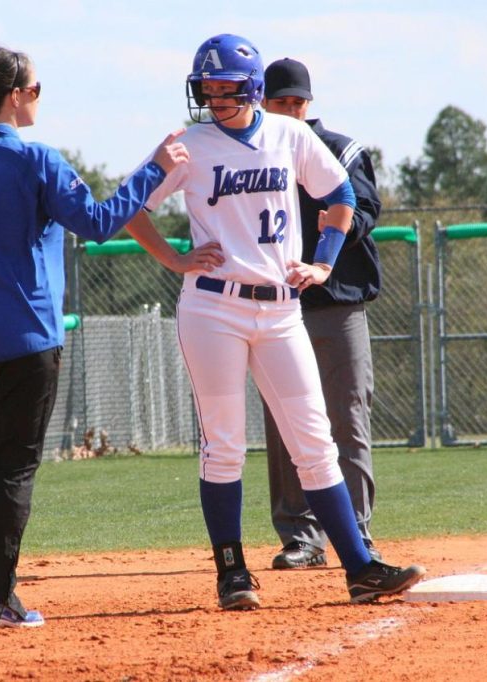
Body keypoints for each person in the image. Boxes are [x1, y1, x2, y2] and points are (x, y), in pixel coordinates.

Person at [125, 34, 424, 610]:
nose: (215, 97)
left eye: (227, 88)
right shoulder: (189, 145)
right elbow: (133, 207)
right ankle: (232, 574)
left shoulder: (290, 134)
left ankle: (359, 568)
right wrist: (173, 259)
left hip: (282, 306)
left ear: (254, 88)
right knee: (225, 444)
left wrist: (324, 262)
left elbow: (340, 195)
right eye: (207, 88)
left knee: (315, 442)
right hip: (213, 305)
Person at [0, 46, 188, 629]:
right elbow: (101, 223)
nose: (37, 98)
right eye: (35, 89)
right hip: (24, 342)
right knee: (7, 470)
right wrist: (157, 167)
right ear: (15, 96)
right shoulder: (35, 160)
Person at [260, 58, 384, 571]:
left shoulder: (339, 148)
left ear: (308, 103)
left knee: (346, 415)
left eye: (297, 101)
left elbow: (368, 207)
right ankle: (301, 536)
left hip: (337, 300)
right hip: (276, 306)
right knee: (284, 423)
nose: (290, 109)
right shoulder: (253, 151)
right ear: (262, 101)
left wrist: (333, 232)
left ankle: (356, 532)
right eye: (280, 101)